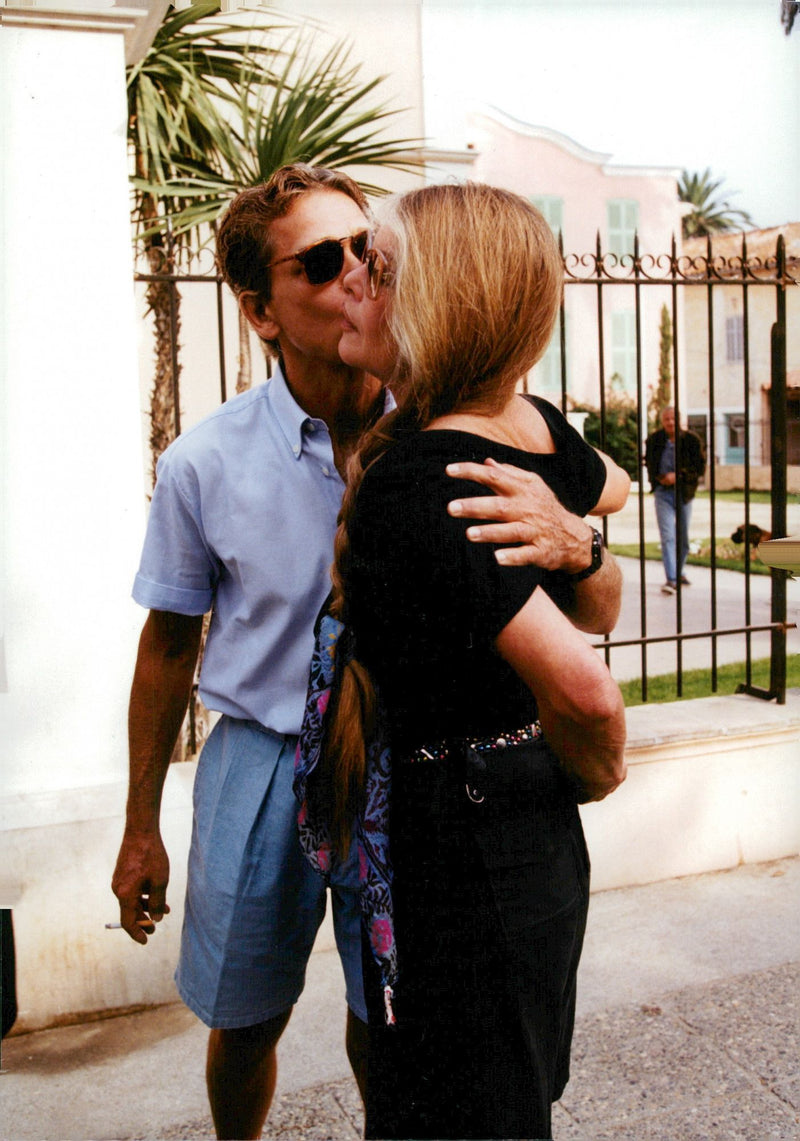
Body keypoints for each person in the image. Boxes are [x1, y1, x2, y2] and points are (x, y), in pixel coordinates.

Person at [111, 165, 624, 1141]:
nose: (355, 273)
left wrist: (573, 534)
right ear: (262, 310)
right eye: (321, 261)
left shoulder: (447, 428)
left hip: (407, 769)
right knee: (246, 1013)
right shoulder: (204, 464)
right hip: (265, 758)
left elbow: (594, 518)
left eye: (367, 250)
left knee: (385, 1013)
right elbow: (168, 642)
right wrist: (140, 824)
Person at [298, 183, 628, 1141]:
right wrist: (584, 544)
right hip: (522, 835)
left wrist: (600, 772)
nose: (350, 278)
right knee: (506, 1093)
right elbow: (602, 529)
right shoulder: (535, 428)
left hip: (460, 848)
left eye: (377, 262)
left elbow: (587, 687)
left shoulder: (421, 475)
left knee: (455, 1109)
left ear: (442, 295)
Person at [644, 405, 706, 594]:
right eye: (666, 419)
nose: (670, 422)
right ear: (662, 421)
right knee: (667, 536)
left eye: (673, 418)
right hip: (663, 493)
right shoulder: (654, 440)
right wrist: (658, 478)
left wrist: (678, 475)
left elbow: (700, 468)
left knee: (683, 538)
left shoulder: (691, 440)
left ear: (679, 420)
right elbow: (649, 463)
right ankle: (671, 579)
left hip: (683, 493)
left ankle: (679, 572)